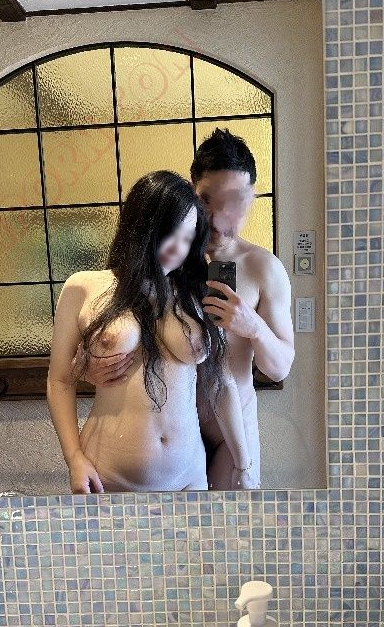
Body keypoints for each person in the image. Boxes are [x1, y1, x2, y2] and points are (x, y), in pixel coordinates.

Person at [83, 130, 295, 489]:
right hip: (169, 432)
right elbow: (106, 329)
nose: (216, 217)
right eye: (207, 200)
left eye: (231, 202)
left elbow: (280, 368)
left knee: (230, 524)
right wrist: (90, 368)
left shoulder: (263, 268)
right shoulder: (162, 262)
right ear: (191, 191)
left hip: (233, 432)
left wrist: (253, 327)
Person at [47, 170, 254, 494]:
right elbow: (59, 380)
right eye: (169, 232)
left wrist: (243, 466)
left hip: (189, 479)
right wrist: (74, 459)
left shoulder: (199, 294)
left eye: (187, 238)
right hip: (106, 477)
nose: (177, 248)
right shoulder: (84, 286)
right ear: (142, 225)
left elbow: (221, 384)